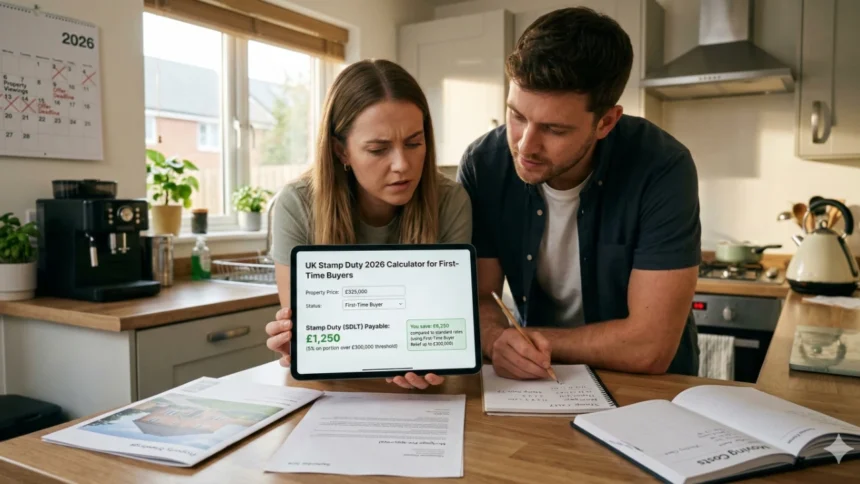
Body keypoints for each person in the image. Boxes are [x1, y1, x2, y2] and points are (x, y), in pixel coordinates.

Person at [456, 7, 702, 381]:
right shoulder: (484, 165)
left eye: (554, 129)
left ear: (606, 122)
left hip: (648, 387)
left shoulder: (663, 167)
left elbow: (650, 347)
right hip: (538, 378)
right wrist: (495, 340)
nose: (525, 145)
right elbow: (479, 297)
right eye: (517, 116)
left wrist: (525, 340)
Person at [264, 59, 472, 390]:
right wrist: (299, 346)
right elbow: (311, 340)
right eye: (378, 149)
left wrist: (437, 357)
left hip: (424, 402)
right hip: (334, 398)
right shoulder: (297, 204)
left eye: (415, 143)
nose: (402, 165)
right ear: (340, 151)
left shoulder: (450, 201)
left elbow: (444, 332)